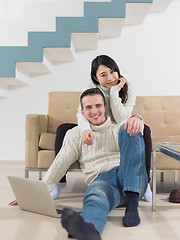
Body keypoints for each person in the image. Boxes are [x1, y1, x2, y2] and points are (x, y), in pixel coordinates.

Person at [43, 88, 148, 240]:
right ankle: (89, 230)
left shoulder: (118, 126)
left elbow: (137, 138)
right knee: (94, 197)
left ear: (105, 107)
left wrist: (137, 118)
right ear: (82, 111)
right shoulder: (75, 134)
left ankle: (132, 203)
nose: (94, 111)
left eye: (98, 105)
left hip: (131, 177)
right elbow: (61, 162)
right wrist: (39, 191)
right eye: (89, 107)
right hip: (103, 180)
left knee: (130, 128)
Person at [51, 55, 152, 202]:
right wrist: (86, 130)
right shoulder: (90, 89)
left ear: (117, 70)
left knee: (145, 129)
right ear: (95, 77)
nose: (110, 77)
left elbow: (122, 120)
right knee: (63, 129)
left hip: (114, 128)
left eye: (112, 72)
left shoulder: (128, 88)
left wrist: (114, 93)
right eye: (103, 75)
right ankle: (59, 182)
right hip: (93, 126)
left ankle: (145, 181)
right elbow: (81, 113)